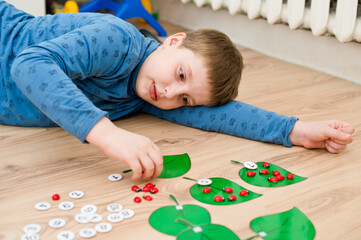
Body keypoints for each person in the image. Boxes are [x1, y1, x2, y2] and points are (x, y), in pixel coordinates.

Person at [0, 1, 354, 181]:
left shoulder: (153, 91)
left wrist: (294, 131)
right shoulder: (117, 40)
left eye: (184, 98)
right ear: (172, 41)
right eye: (181, 74)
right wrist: (108, 135)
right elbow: (29, 65)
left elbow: (220, 113)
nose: (170, 93)